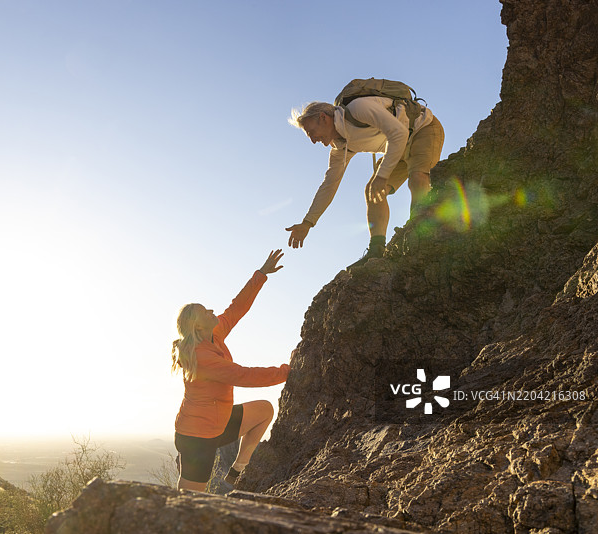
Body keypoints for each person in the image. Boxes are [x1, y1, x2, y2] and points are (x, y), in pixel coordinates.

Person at [172, 249, 291, 492]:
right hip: (197, 437)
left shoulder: (214, 335)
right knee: (189, 501)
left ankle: (236, 471)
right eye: (206, 311)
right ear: (197, 325)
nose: (212, 311)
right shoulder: (200, 356)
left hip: (220, 421)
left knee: (264, 410)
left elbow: (236, 309)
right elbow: (242, 375)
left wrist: (260, 274)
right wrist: (288, 371)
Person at [285, 94, 445, 266]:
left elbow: (399, 132)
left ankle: (419, 233)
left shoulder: (358, 109)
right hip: (398, 147)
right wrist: (307, 223)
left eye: (311, 132)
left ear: (323, 118)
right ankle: (376, 250)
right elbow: (329, 186)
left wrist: (382, 176)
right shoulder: (340, 149)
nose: (312, 140)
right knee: (372, 191)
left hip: (423, 129)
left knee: (417, 176)